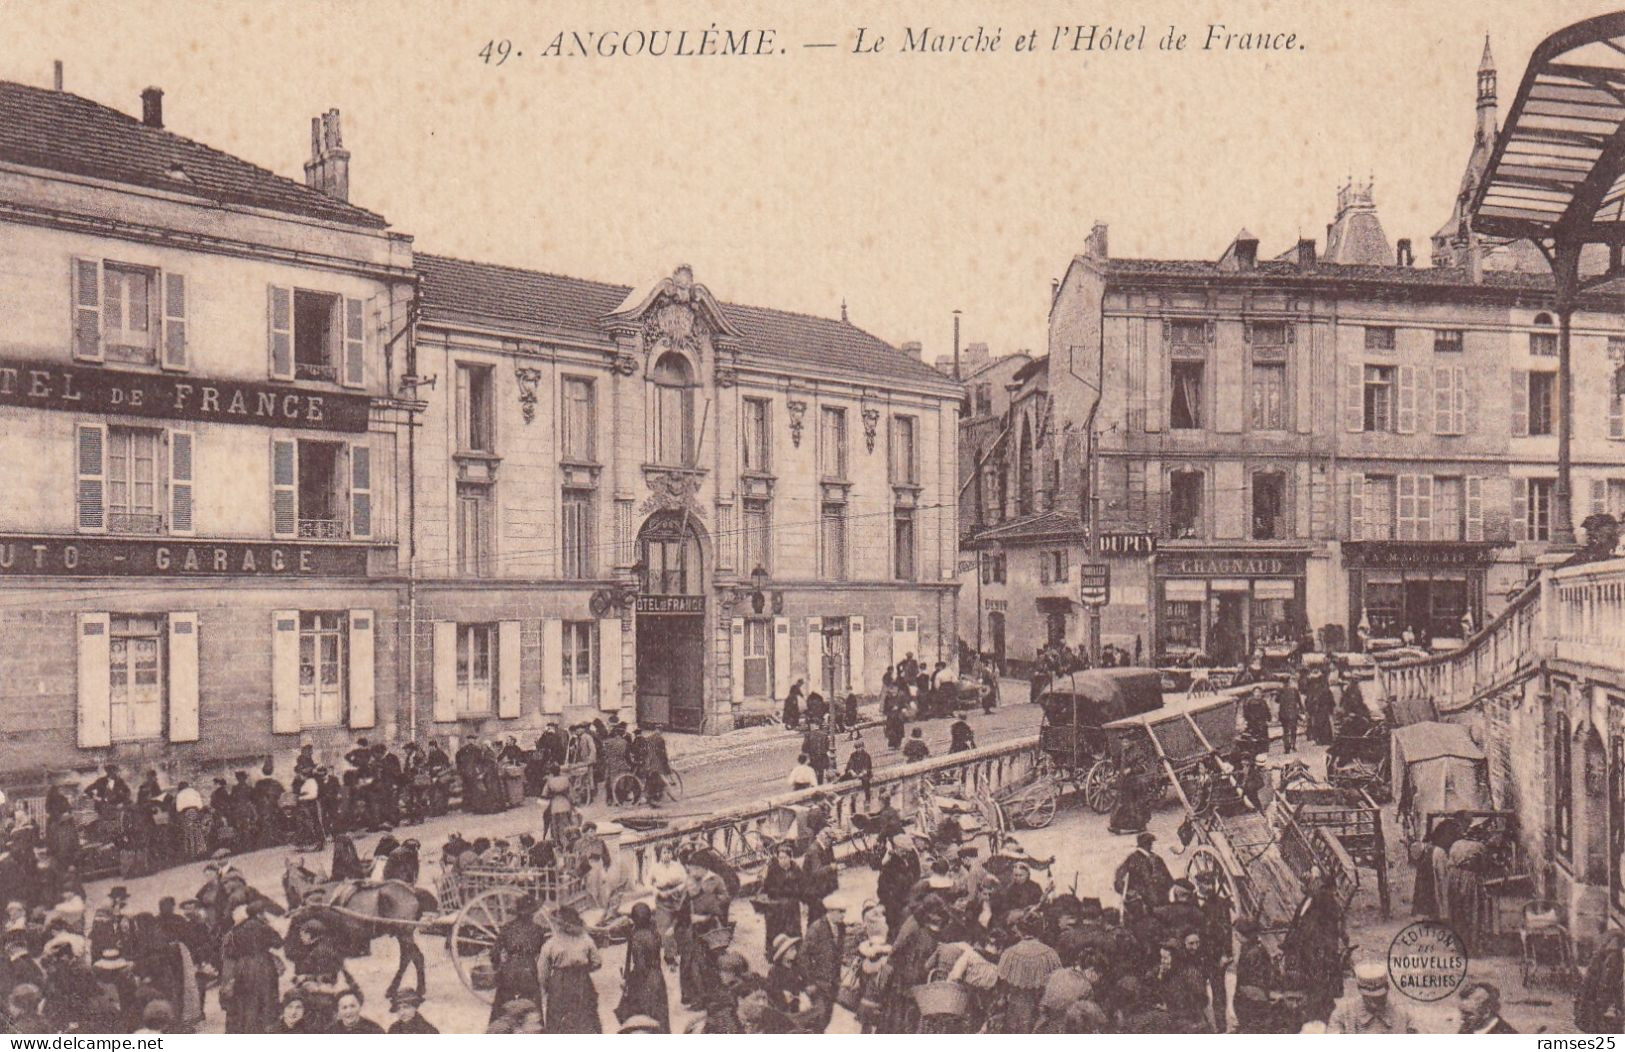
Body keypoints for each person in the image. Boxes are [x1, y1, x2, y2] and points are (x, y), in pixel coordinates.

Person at [538, 906, 602, 1033]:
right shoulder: (586, 939)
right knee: (585, 1018)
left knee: (557, 1018)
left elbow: (542, 972)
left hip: (559, 983)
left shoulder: (551, 943)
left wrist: (546, 986)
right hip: (582, 982)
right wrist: (584, 970)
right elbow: (597, 962)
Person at [616, 903, 669, 1032]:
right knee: (660, 1014)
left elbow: (640, 966)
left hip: (645, 980)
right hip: (657, 975)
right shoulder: (653, 931)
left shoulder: (637, 937)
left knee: (644, 1015)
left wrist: (628, 981)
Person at [1329, 960, 1416, 1034]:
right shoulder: (1342, 1015)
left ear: (1387, 989)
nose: (1375, 1004)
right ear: (1360, 990)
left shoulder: (1403, 1016)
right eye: (1370, 998)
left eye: (1380, 997)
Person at [1113, 833, 1172, 926]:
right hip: (1143, 903)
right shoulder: (1134, 859)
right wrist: (1129, 893)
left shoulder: (1155, 859)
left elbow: (1169, 880)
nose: (1150, 846)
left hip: (1155, 902)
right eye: (1149, 844)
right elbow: (1118, 880)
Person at [1276, 675, 1301, 753]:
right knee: (1293, 730)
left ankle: (1287, 748)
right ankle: (1293, 745)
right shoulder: (1294, 690)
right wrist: (1302, 710)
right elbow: (1299, 701)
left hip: (1284, 713)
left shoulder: (1280, 690)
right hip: (1293, 712)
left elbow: (1276, 700)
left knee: (1285, 730)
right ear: (1289, 681)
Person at [802, 720, 831, 784]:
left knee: (813, 772)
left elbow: (804, 748)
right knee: (820, 773)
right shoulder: (824, 734)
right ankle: (820, 786)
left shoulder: (808, 735)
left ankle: (813, 786)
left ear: (812, 725)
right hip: (822, 757)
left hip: (812, 757)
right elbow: (827, 746)